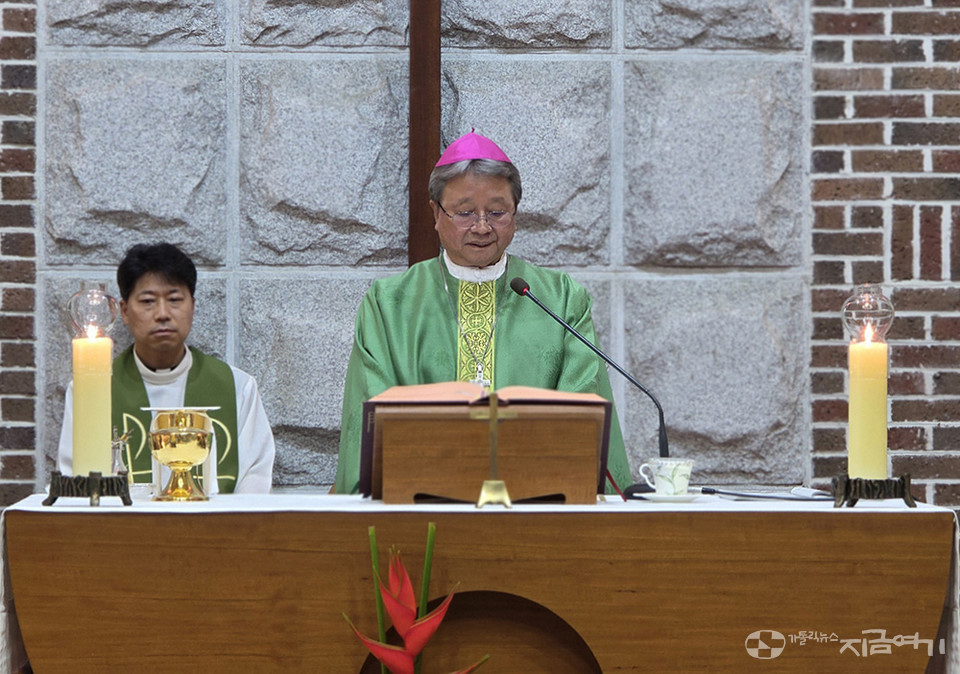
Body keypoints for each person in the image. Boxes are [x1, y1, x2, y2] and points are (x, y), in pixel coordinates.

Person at [335, 131, 631, 494]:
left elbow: (583, 415)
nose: (481, 226)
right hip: (420, 506)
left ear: (516, 213)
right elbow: (371, 422)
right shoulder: (389, 304)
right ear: (435, 212)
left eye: (496, 212)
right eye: (464, 212)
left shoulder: (561, 299)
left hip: (538, 509)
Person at [58, 242, 275, 494]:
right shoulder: (91, 391)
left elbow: (256, 479)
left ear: (192, 306)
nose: (162, 313)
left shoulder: (238, 387)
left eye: (174, 300)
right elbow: (76, 478)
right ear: (125, 311)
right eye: (148, 301)